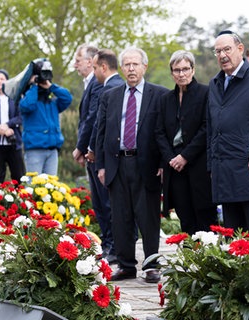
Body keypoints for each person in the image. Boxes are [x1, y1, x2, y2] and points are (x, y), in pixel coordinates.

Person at [95, 47, 168, 283]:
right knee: (121, 217)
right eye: (127, 64)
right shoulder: (111, 95)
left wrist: (162, 163)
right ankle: (126, 265)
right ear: (122, 68)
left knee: (148, 218)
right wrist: (102, 166)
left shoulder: (159, 95)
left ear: (144, 67)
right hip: (118, 164)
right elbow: (101, 132)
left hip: (146, 164)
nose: (131, 69)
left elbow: (164, 133)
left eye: (135, 64)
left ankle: (151, 265)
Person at [207, 30, 249, 240]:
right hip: (223, 174)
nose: (223, 55)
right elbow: (211, 127)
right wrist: (211, 165)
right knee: (233, 243)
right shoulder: (215, 84)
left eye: (227, 49)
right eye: (218, 51)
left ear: (240, 49)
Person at [155, 50, 217, 235]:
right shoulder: (166, 99)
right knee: (185, 217)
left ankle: (208, 261)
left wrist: (185, 156)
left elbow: (207, 128)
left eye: (185, 69)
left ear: (193, 69)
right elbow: (159, 132)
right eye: (177, 70)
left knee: (205, 218)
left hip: (198, 165)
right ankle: (191, 260)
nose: (181, 74)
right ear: (172, 72)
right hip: (175, 169)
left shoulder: (206, 93)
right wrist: (171, 158)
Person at [70, 44, 117, 263]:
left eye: (78, 60)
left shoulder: (100, 86)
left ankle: (111, 244)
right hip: (92, 151)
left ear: (92, 63)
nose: (75, 64)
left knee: (105, 202)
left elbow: (93, 119)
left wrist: (84, 148)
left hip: (97, 152)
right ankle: (108, 244)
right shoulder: (92, 84)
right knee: (99, 202)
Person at [19, 60, 73, 175]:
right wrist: (33, 85)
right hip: (35, 150)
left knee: (50, 187)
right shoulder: (27, 99)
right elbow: (28, 106)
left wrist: (51, 86)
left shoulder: (53, 102)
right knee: (33, 187)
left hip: (52, 150)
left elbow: (67, 98)